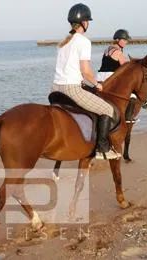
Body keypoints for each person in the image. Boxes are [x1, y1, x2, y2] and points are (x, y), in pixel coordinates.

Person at [50, 3, 121, 160]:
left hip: (55, 90)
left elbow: (69, 69)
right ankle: (102, 148)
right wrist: (97, 84)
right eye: (88, 21)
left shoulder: (63, 42)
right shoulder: (83, 41)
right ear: (84, 22)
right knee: (107, 109)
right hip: (71, 90)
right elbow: (86, 71)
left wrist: (82, 81)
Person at [97, 29, 137, 123]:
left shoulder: (108, 49)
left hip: (99, 77)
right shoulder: (118, 52)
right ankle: (128, 118)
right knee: (132, 96)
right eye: (125, 40)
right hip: (110, 77)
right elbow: (126, 68)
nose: (127, 42)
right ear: (118, 40)